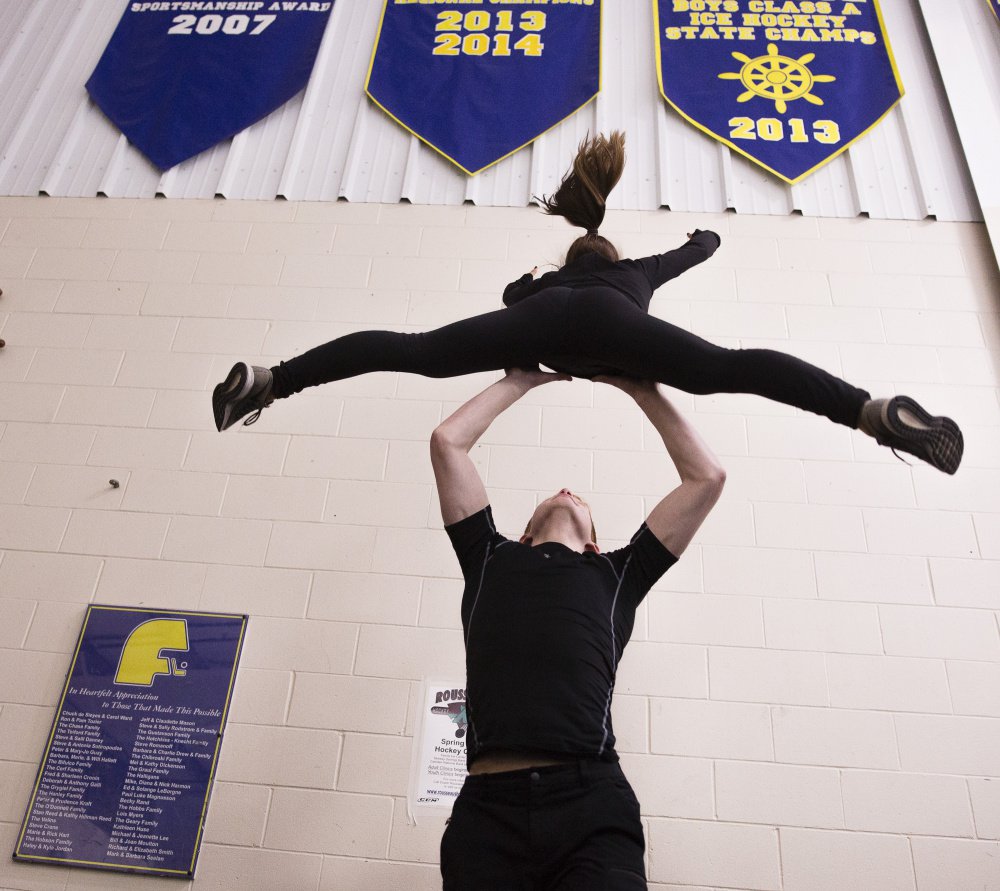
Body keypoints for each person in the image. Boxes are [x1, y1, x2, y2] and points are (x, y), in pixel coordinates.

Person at [212, 132, 963, 475]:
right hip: (619, 332)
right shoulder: (633, 275)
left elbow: (508, 298)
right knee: (729, 369)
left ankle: (272, 377)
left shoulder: (541, 287)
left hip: (537, 328)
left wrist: (522, 332)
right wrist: (704, 238)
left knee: (412, 352)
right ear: (610, 257)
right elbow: (696, 252)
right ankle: (869, 410)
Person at [429, 367, 725, 890]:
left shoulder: (617, 574)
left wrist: (639, 385)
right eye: (558, 493)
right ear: (523, 534)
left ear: (594, 542)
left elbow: (707, 477)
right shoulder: (488, 558)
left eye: (582, 500)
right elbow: (448, 442)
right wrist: (522, 379)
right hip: (487, 815)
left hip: (590, 805)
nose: (568, 491)